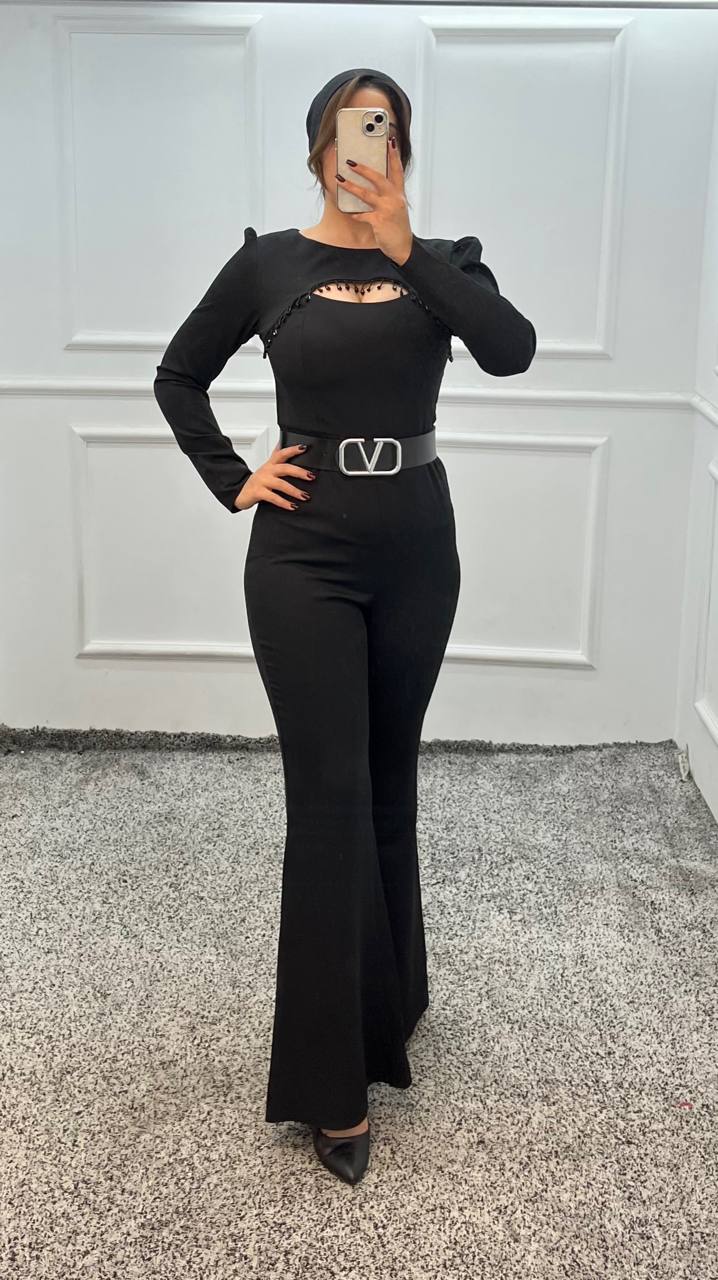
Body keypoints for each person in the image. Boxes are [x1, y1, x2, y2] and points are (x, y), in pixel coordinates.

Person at [153, 66, 536, 1187]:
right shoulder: (268, 263)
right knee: (327, 800)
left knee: (387, 780)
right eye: (349, 130)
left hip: (418, 547)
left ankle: (388, 1005)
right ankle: (330, 1086)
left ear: (402, 150)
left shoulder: (447, 261)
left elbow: (511, 349)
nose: (367, 148)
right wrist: (233, 477)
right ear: (318, 149)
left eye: (387, 132)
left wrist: (408, 243)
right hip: (303, 554)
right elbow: (178, 375)